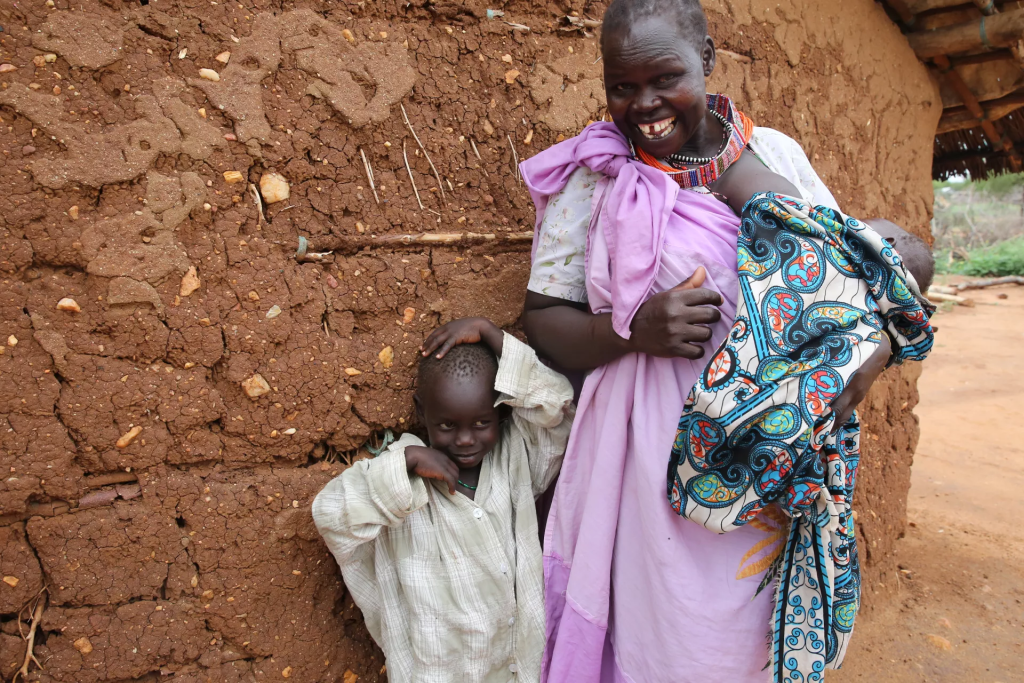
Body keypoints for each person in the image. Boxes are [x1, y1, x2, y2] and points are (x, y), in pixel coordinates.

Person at [519, 0, 934, 681]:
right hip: (646, 461)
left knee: (747, 635)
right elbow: (542, 318)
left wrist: (873, 354)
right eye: (623, 86)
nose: (644, 104)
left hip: (773, 448)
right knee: (665, 635)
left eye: (665, 78)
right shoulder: (594, 177)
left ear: (707, 61)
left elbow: (858, 276)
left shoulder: (776, 157)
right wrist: (632, 331)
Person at [311, 317, 574, 683]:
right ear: (422, 412)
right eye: (447, 425)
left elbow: (558, 407)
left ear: (500, 412)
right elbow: (330, 514)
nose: (465, 440)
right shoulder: (403, 480)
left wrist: (491, 333)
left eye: (481, 423)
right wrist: (407, 462)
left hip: (522, 668)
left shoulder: (515, 459)